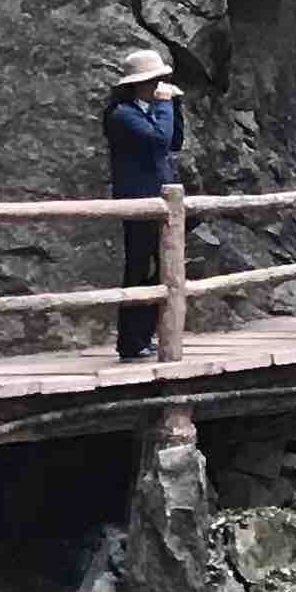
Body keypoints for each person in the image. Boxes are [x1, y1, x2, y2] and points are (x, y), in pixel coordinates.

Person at [103, 46, 185, 362]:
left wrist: (175, 106)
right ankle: (130, 341)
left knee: (164, 267)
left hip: (159, 199)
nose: (158, 87)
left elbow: (174, 141)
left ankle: (145, 334)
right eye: (153, 81)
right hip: (137, 200)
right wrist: (165, 106)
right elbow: (158, 140)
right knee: (139, 267)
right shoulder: (122, 115)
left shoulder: (149, 110)